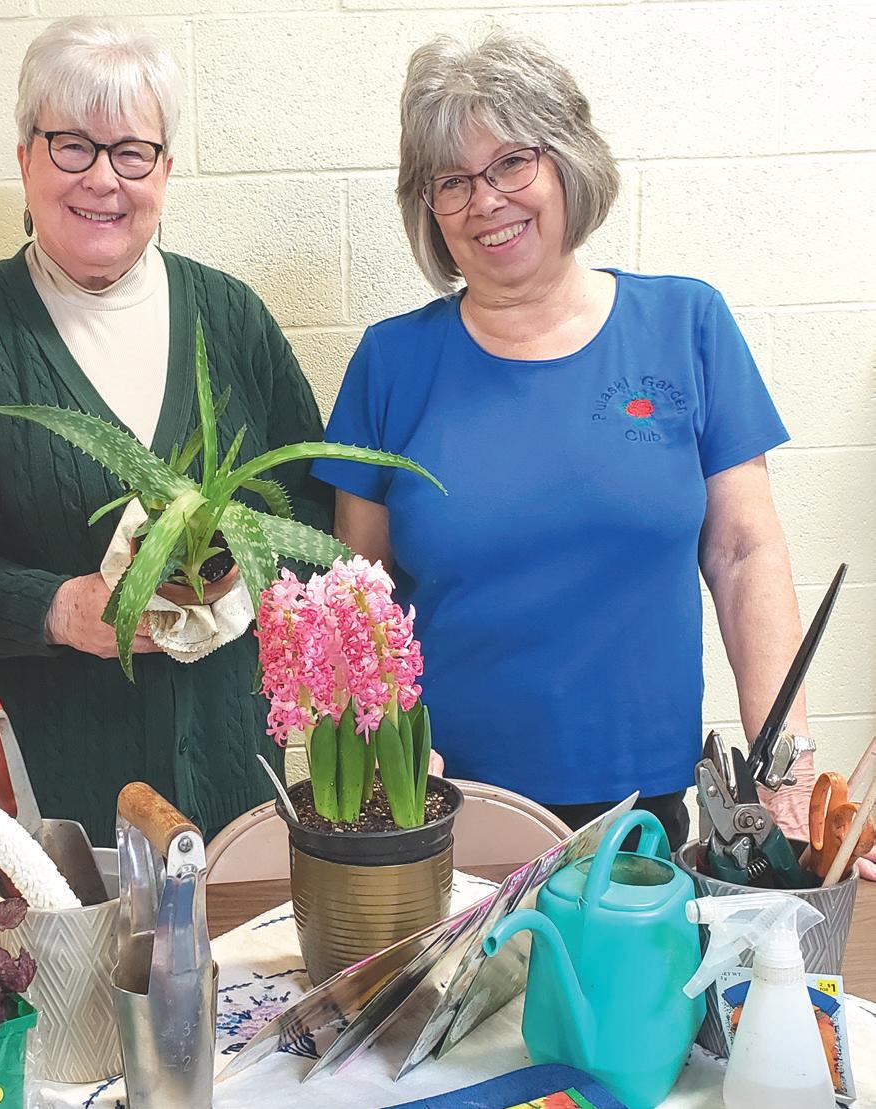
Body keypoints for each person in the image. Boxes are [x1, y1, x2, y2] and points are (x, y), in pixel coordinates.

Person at [313, 29, 838, 861]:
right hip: (440, 808)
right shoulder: (390, 362)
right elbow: (357, 594)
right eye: (452, 181)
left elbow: (744, 553)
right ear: (428, 207)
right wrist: (378, 753)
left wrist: (788, 768)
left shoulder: (686, 325)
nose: (485, 200)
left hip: (640, 809)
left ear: (567, 163)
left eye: (511, 163)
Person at [0, 17, 331, 847]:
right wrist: (56, 609)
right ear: (25, 159)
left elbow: (310, 515)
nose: (102, 179)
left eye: (132, 152)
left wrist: (242, 585)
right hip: (62, 787)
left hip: (235, 770)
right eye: (72, 145)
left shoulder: (231, 318)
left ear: (165, 171)